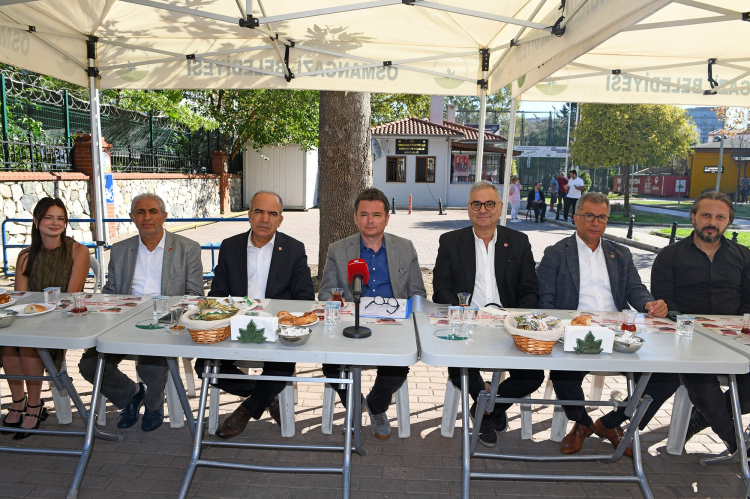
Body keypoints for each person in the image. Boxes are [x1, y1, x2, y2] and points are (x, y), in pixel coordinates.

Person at [537, 192, 671, 456]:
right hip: (575, 331)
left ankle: (610, 423)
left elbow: (635, 288)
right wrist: (561, 328)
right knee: (563, 376)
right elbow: (546, 300)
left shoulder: (620, 254)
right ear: (576, 217)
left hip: (616, 332)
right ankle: (583, 423)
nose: (595, 222)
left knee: (666, 378)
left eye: (601, 217)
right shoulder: (556, 253)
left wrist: (649, 304)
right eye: (589, 216)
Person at [78, 193, 203, 432]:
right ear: (132, 217)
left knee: (151, 364)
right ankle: (132, 395)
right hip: (123, 321)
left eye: (153, 211)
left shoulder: (187, 248)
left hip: (165, 322)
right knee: (89, 365)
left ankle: (154, 407)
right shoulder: (120, 249)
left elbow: (195, 295)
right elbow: (111, 292)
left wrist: (170, 317)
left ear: (164, 216)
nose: (147, 217)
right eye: (140, 212)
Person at [433, 180, 541, 447]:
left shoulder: (518, 242)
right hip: (468, 322)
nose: (483, 209)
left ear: (501, 207)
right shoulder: (450, 241)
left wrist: (517, 320)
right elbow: (441, 288)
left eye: (489, 204)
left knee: (533, 375)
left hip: (508, 325)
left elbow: (529, 289)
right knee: (458, 367)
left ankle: (486, 408)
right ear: (468, 208)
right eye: (476, 204)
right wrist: (462, 312)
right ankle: (490, 407)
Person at [205, 191, 314, 438]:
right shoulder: (230, 246)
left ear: (280, 220)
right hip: (236, 327)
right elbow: (217, 295)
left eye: (272, 214)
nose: (265, 219)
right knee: (205, 366)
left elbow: (305, 298)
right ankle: (267, 397)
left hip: (275, 330)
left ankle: (247, 409)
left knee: (283, 366)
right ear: (249, 215)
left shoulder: (294, 249)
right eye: (259, 212)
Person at [319, 188, 425, 440]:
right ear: (355, 218)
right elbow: (325, 293)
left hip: (392, 325)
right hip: (351, 324)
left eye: (376, 215)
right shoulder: (338, 249)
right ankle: (354, 404)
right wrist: (337, 302)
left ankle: (376, 406)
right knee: (330, 364)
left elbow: (418, 293)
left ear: (386, 218)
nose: (370, 221)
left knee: (398, 366)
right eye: (364, 214)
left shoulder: (405, 248)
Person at [651, 190, 750, 455]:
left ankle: (698, 421)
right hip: (686, 338)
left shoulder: (744, 256)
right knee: (702, 380)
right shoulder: (669, 256)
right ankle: (739, 445)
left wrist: (741, 330)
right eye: (706, 215)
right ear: (693, 216)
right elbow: (664, 300)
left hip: (734, 337)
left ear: (729, 221)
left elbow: (749, 301)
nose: (712, 222)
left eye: (720, 217)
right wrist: (686, 326)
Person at [1, 198, 89, 439]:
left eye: (60, 218)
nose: (55, 223)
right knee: (7, 343)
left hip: (62, 319)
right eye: (49, 217)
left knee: (27, 344)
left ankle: (35, 406)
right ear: (36, 220)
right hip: (29, 317)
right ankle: (18, 402)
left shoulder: (78, 251)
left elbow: (71, 297)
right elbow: (19, 298)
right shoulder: (25, 256)